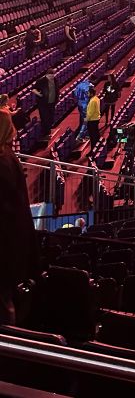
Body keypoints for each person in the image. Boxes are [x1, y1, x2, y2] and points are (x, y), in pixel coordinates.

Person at [0, 95, 37, 324]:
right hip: (11, 243)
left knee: (4, 302)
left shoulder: (3, 162)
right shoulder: (7, 157)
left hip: (5, 243)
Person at [32, 69, 57, 137]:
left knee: (51, 117)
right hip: (43, 103)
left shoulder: (54, 79)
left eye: (52, 76)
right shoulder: (41, 81)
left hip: (52, 102)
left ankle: (47, 130)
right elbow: (33, 89)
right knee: (44, 117)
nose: (51, 78)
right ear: (47, 75)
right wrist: (39, 94)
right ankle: (46, 132)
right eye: (50, 76)